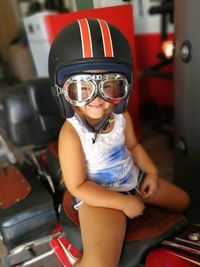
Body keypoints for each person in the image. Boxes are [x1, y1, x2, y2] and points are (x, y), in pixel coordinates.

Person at [48, 18, 190, 267]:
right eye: (82, 88)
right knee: (102, 263)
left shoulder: (121, 117)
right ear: (62, 91)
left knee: (183, 201)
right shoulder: (71, 134)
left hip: (132, 182)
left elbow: (133, 147)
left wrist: (153, 173)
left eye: (110, 86)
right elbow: (78, 186)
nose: (97, 99)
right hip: (99, 196)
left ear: (124, 87)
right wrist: (122, 202)